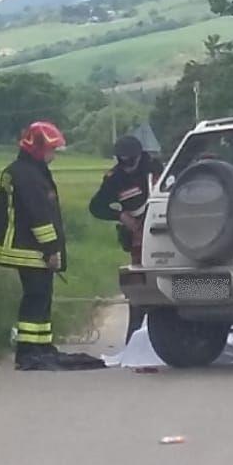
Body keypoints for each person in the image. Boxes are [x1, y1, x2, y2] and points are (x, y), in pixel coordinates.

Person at [0, 121, 102, 371]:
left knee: (41, 296)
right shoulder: (27, 175)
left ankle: (40, 346)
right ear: (37, 148)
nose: (54, 155)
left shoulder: (26, 171)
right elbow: (39, 216)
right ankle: (29, 351)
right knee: (36, 297)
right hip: (28, 248)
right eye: (51, 150)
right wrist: (50, 250)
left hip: (28, 246)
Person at [89, 135, 160, 343]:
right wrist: (121, 215)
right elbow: (96, 207)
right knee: (139, 289)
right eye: (122, 161)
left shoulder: (156, 168)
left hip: (165, 230)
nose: (126, 166)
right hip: (138, 237)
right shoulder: (115, 178)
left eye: (129, 161)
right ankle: (134, 339)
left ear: (139, 157)